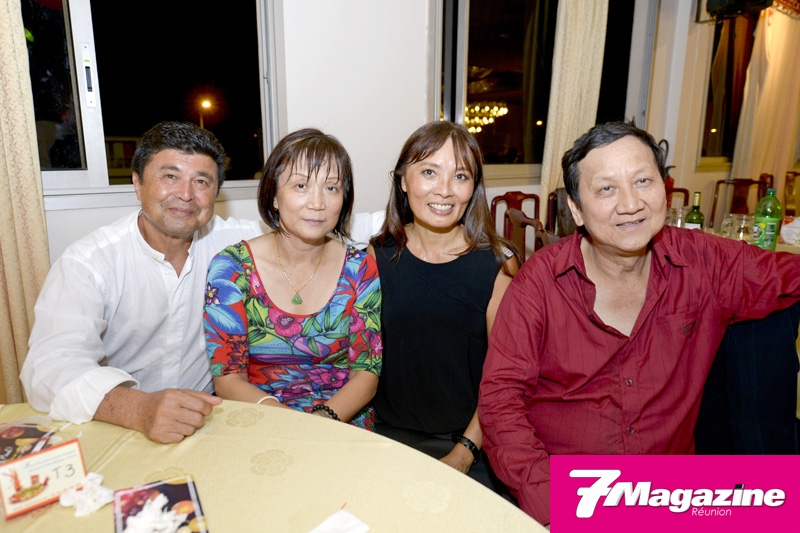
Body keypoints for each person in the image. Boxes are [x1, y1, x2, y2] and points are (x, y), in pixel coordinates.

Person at [477, 121, 800, 526]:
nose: (630, 204)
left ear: (664, 189)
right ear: (576, 210)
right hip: (571, 491)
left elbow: (785, 276)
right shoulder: (539, 285)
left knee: (778, 507)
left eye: (643, 181)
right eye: (606, 189)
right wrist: (550, 504)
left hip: (671, 495)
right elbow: (500, 402)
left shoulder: (705, 262)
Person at [21, 122, 264, 443]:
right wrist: (136, 407)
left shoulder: (238, 245)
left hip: (209, 418)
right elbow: (47, 367)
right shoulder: (90, 262)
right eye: (170, 176)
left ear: (215, 193)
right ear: (137, 183)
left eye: (201, 181)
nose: (186, 194)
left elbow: (303, 232)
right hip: (117, 421)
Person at [368, 121, 519, 490]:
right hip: (386, 436)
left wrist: (463, 454)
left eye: (460, 176)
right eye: (429, 172)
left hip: (470, 441)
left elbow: (506, 379)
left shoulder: (497, 266)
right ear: (403, 180)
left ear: (473, 188)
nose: (445, 190)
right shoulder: (377, 256)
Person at [204, 129, 382, 429]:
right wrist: (288, 423)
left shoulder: (360, 269)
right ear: (274, 195)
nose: (317, 203)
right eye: (301, 185)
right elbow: (228, 379)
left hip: (340, 418)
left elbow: (366, 373)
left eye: (331, 188)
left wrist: (321, 421)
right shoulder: (231, 269)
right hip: (258, 414)